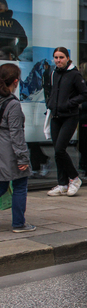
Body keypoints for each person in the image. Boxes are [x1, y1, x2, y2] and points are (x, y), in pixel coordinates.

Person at [46, 47, 87, 197]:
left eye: (61, 57)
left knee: (60, 149)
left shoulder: (75, 74)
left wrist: (68, 103)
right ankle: (62, 184)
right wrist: (51, 103)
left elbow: (85, 94)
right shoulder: (53, 73)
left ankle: (75, 179)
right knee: (58, 153)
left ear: (67, 58)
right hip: (56, 117)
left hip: (70, 117)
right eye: (56, 57)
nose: (58, 60)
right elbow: (50, 91)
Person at [0, 63, 35, 232]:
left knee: (1, 185)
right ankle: (19, 223)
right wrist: (22, 158)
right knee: (20, 184)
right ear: (15, 81)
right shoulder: (12, 104)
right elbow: (16, 134)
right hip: (8, 152)